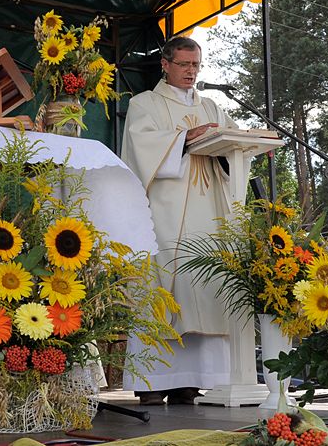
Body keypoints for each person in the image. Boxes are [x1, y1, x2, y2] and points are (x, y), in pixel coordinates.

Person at [120, 36, 249, 405]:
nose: (191, 72)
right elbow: (140, 148)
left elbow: (237, 149)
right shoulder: (145, 103)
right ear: (165, 64)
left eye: (196, 65)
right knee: (165, 286)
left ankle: (194, 379)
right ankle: (152, 381)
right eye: (184, 65)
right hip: (166, 212)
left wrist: (226, 143)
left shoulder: (213, 107)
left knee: (206, 287)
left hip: (211, 211)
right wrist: (185, 137)